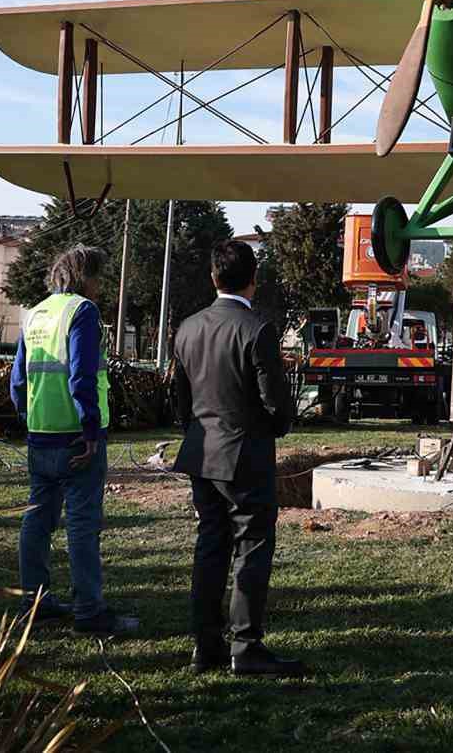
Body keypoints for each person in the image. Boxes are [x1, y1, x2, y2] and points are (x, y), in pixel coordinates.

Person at [171, 239, 301, 677]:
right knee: (252, 546)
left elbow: (180, 397)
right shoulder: (256, 329)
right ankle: (245, 646)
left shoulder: (187, 328)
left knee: (210, 545)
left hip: (201, 451)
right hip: (244, 453)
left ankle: (205, 645)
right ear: (253, 279)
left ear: (213, 277)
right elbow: (275, 399)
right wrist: (277, 426)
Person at [11, 244, 137, 634]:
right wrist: (90, 429)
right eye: (98, 277)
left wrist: (29, 419)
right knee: (82, 524)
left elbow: (18, 380)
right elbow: (81, 375)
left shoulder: (35, 313)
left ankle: (34, 603)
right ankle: (89, 612)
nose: (101, 286)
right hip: (76, 436)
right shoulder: (83, 311)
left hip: (41, 433)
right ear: (86, 277)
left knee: (37, 520)